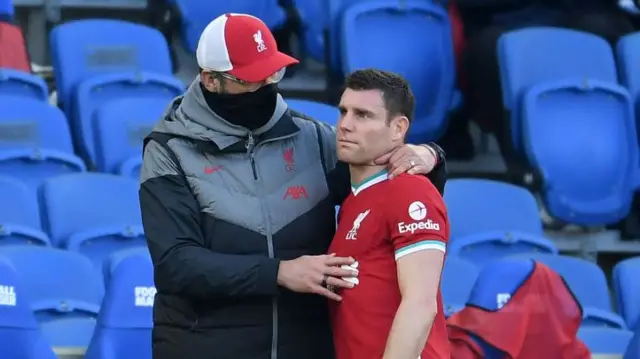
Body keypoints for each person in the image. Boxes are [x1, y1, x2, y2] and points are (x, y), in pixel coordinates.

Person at [138, 13, 447, 359]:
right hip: (205, 346)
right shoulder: (168, 149)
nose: (268, 85)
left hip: (303, 345)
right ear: (212, 81)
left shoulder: (313, 138)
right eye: (252, 78)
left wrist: (429, 154)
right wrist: (279, 273)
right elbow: (176, 264)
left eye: (273, 72)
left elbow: (391, 184)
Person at [328, 69, 450, 359]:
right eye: (343, 112)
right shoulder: (353, 201)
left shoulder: (409, 191)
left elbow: (421, 303)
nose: (345, 125)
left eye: (363, 115)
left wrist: (431, 153)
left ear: (398, 128)